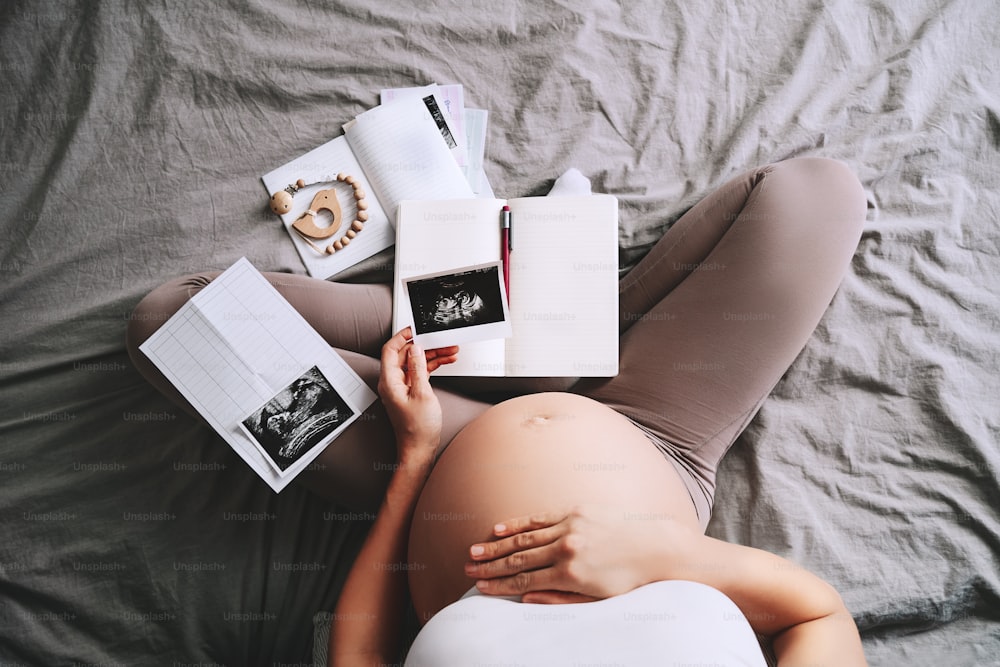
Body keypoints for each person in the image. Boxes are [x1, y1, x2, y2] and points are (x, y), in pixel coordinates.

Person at [126, 158, 869, 666]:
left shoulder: (419, 456)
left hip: (431, 460)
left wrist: (413, 459)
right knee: (816, 194)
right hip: (658, 436)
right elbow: (817, 615)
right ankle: (559, 337)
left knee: (178, 324)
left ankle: (515, 332)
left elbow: (360, 656)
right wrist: (658, 556)